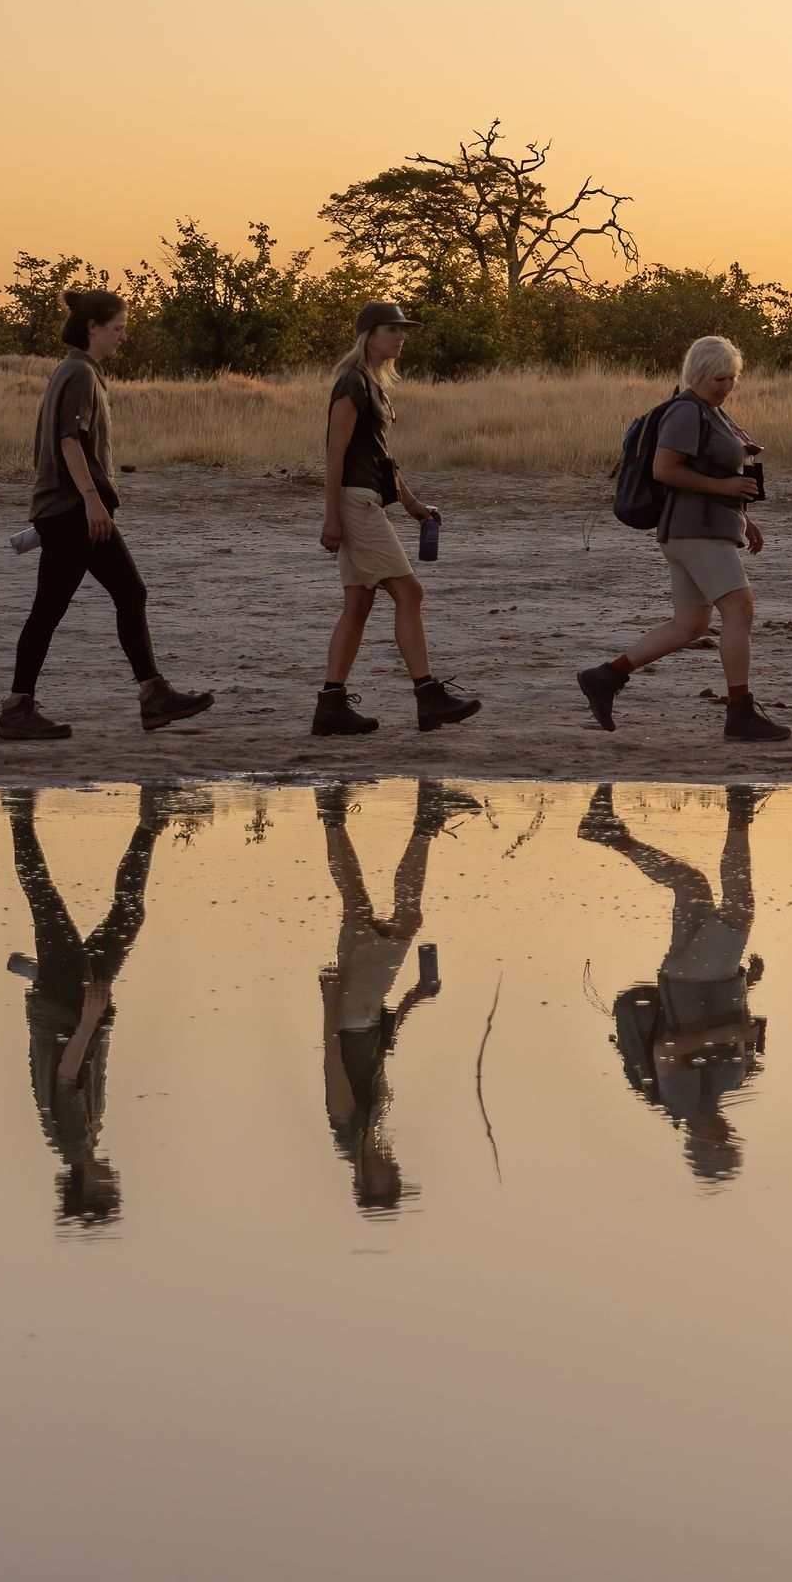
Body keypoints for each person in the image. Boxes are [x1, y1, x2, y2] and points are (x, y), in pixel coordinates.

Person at [2, 290, 216, 742]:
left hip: (69, 510)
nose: (123, 337)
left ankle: (152, 694)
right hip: (73, 511)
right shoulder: (79, 372)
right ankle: (19, 706)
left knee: (124, 593)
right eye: (117, 329)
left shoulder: (78, 370)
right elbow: (69, 441)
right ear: (93, 328)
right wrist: (93, 502)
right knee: (57, 607)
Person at [576, 335, 787, 741]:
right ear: (697, 374)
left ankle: (606, 677)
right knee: (739, 609)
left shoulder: (711, 411)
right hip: (694, 533)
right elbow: (665, 470)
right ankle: (740, 713)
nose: (725, 387)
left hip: (700, 530)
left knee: (689, 624)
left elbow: (717, 477)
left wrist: (742, 517)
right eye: (717, 379)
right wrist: (725, 490)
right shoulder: (687, 412)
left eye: (731, 378)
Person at [583, 783, 768, 1181]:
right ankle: (610, 835)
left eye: (720, 1147)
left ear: (701, 1146)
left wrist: (729, 1031)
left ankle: (740, 810)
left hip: (698, 981)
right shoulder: (715, 1098)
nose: (727, 1139)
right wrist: (745, 988)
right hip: (702, 981)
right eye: (729, 1146)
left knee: (739, 909)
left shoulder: (685, 1104)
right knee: (690, 882)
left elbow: (668, 1049)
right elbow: (721, 1030)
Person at [315, 301, 479, 738]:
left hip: (365, 498)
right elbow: (335, 455)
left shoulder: (374, 386)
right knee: (410, 592)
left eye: (402, 329)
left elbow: (380, 457)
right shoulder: (351, 383)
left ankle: (330, 706)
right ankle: (428, 696)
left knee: (358, 605)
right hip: (354, 503)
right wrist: (332, 517)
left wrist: (409, 502)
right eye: (391, 329)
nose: (400, 336)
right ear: (368, 335)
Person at [7, 784, 167, 1226]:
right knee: (126, 915)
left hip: (68, 1003)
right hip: (70, 1003)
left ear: (87, 1189)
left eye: (106, 1194)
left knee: (47, 903)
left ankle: (18, 812)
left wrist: (90, 1018)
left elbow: (64, 1076)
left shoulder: (75, 1144)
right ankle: (150, 822)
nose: (114, 1186)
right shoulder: (77, 1141)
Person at [315, 779, 476, 1209]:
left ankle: (426, 821)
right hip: (365, 1013)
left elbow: (333, 1061)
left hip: (351, 1012)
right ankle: (330, 813)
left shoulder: (348, 1128)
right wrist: (413, 998)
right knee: (359, 908)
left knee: (404, 918)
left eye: (391, 1181)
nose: (398, 1172)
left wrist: (328, 1000)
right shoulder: (371, 1131)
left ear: (368, 1181)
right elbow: (378, 1052)